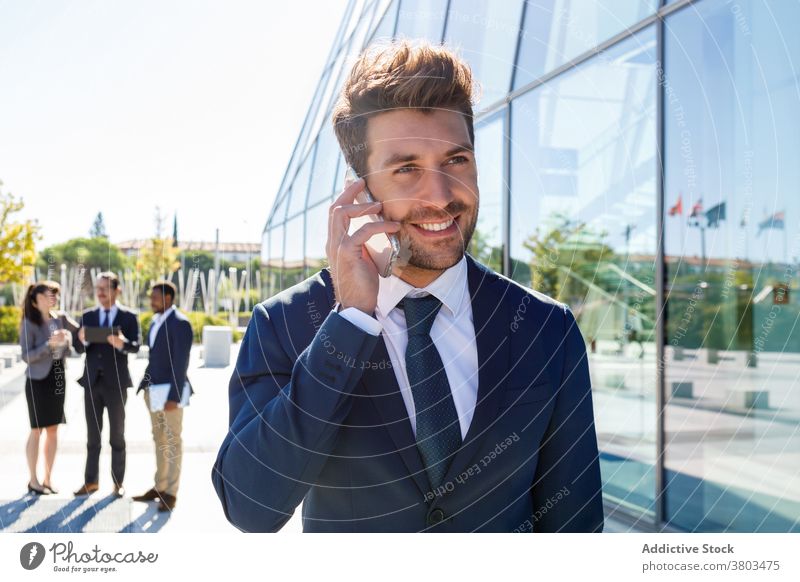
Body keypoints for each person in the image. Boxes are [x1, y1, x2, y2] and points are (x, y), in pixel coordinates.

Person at [212, 40, 604, 532]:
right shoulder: (288, 322)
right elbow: (251, 505)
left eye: (456, 161)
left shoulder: (547, 328)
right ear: (360, 189)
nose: (439, 196)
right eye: (406, 169)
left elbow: (576, 525)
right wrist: (351, 321)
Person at [73, 272, 140, 497]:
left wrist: (122, 343)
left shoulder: (129, 316)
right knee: (93, 437)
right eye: (98, 288)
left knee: (117, 437)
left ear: (117, 290)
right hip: (91, 383)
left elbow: (136, 346)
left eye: (105, 288)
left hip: (116, 384)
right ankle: (90, 482)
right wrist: (81, 340)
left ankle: (117, 483)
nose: (100, 293)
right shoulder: (87, 315)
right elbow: (78, 348)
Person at [133, 280, 194, 512]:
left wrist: (174, 396)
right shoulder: (155, 321)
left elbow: (181, 363)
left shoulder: (180, 323)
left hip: (171, 393)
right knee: (159, 439)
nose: (151, 300)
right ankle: (159, 486)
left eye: (155, 297)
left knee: (173, 442)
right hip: (153, 390)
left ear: (168, 298)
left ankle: (171, 493)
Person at [19, 282, 74, 495]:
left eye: (53, 296)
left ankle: (48, 479)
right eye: (46, 296)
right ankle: (33, 480)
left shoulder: (60, 319)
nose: (51, 299)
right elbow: (26, 356)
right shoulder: (28, 322)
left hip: (57, 378)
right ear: (35, 300)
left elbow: (70, 348)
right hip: (36, 381)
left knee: (53, 429)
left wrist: (66, 342)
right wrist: (48, 346)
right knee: (37, 429)